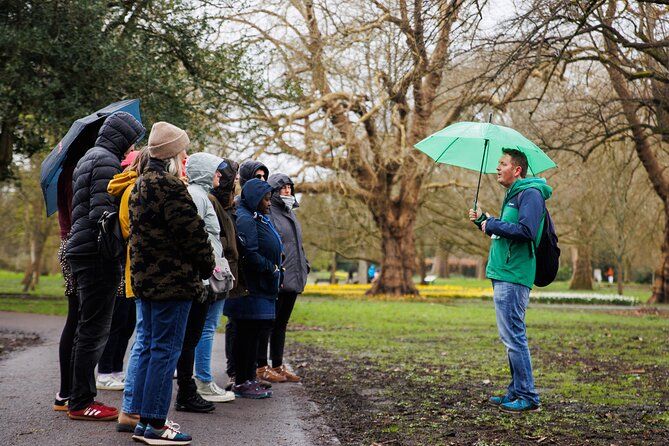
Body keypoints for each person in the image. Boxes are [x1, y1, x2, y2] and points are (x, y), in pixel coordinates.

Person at [128, 122, 215, 444]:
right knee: (165, 351)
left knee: (151, 348)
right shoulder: (170, 187)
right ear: (173, 154)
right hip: (172, 282)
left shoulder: (141, 184)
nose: (187, 155)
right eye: (184, 150)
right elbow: (192, 235)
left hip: (147, 281)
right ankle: (154, 424)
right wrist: (208, 265)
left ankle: (142, 420)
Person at [64, 111, 145, 421]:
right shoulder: (107, 162)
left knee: (86, 327)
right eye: (131, 140)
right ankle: (82, 403)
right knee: (94, 330)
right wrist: (115, 252)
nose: (131, 147)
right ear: (122, 137)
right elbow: (104, 215)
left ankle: (76, 397)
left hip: (81, 250)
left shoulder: (88, 158)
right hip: (96, 256)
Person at [468, 148, 551, 413]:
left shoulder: (531, 194)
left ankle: (528, 396)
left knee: (514, 336)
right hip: (504, 272)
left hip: (514, 275)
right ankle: (515, 391)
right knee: (509, 337)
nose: (497, 167)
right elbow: (507, 234)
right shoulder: (514, 195)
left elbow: (525, 231)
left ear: (517, 170)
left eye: (502, 163)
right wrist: (484, 221)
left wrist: (493, 224)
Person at [174, 152, 234, 413]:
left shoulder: (200, 195)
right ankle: (187, 392)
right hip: (201, 278)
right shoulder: (198, 197)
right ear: (203, 172)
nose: (220, 175)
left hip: (205, 276)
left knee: (193, 335)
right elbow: (196, 237)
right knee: (191, 337)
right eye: (215, 171)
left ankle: (188, 391)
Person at [223, 178, 282, 398]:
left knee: (254, 335)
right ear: (256, 198)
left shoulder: (258, 216)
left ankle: (249, 378)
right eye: (266, 199)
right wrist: (272, 268)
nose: (269, 203)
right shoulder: (246, 219)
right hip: (251, 289)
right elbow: (250, 254)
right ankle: (242, 381)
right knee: (246, 336)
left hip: (262, 288)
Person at [107, 148, 150, 432]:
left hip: (134, 268)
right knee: (141, 334)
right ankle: (132, 404)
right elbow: (127, 228)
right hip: (137, 268)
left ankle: (131, 400)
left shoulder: (130, 187)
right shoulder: (134, 189)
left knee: (139, 331)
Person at [96, 150, 144, 392]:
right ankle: (104, 371)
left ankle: (116, 368)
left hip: (129, 265)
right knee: (117, 321)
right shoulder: (124, 187)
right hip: (119, 262)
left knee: (127, 322)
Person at [194, 159, 240, 402]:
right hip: (214, 272)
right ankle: (202, 379)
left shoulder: (210, 200)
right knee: (206, 327)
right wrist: (228, 253)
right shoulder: (207, 200)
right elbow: (210, 235)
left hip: (217, 269)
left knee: (206, 327)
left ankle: (200, 378)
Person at [257, 173, 310, 383]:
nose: (287, 190)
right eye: (283, 187)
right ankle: (262, 366)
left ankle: (278, 365)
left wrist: (304, 266)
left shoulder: (291, 213)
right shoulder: (269, 213)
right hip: (279, 277)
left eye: (289, 187)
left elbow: (297, 244)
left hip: (294, 278)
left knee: (281, 324)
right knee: (268, 323)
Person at [224, 159, 270, 389]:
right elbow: (248, 249)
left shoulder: (258, 210)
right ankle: (238, 373)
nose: (261, 181)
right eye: (257, 177)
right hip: (246, 282)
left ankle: (249, 372)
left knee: (254, 331)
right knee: (240, 329)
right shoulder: (243, 212)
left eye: (264, 177)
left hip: (259, 281)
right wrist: (268, 265)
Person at [54, 163, 76, 412]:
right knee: (77, 318)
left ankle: (66, 390)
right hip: (74, 246)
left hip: (70, 244)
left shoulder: (68, 172)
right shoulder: (72, 174)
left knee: (77, 318)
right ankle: (66, 390)